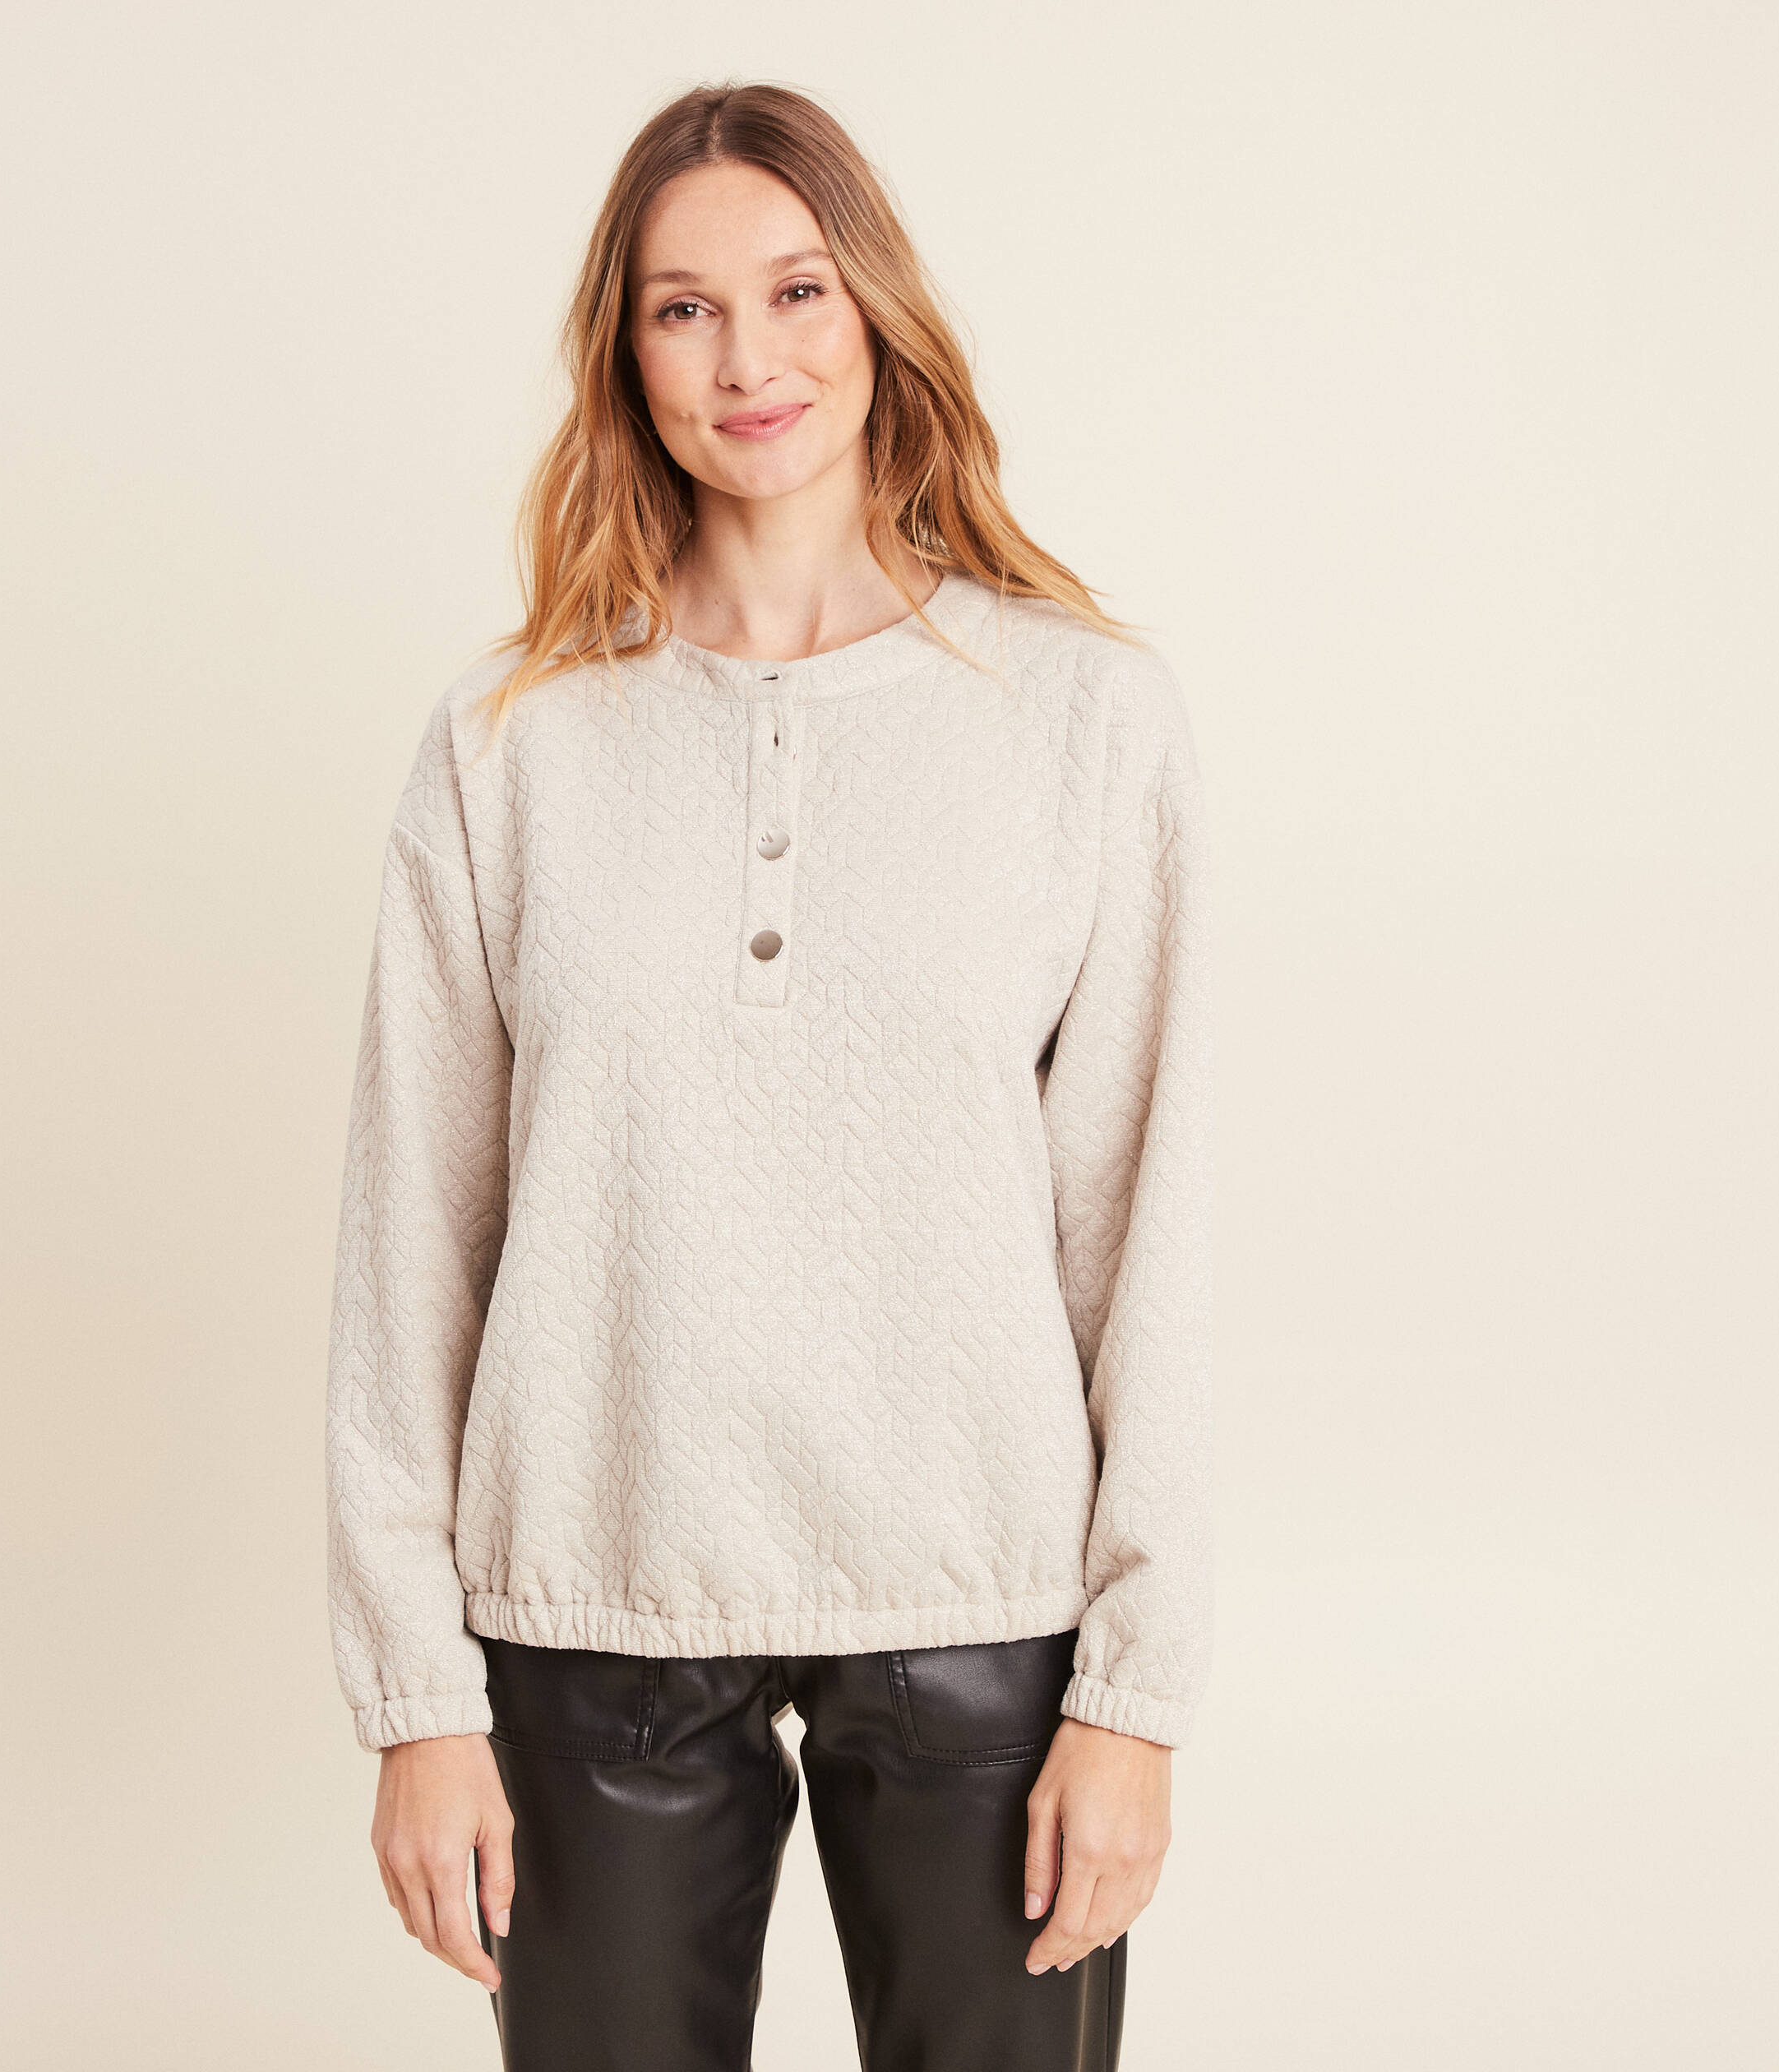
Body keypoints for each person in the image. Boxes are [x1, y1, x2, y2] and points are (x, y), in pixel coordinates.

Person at [324, 79, 1213, 2072]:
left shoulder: (1083, 717)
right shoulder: (511, 741)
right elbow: (410, 1248)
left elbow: (1146, 1227)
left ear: (877, 309)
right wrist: (416, 1699)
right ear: (625, 353)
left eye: (799, 290)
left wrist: (1137, 1696)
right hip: (594, 1589)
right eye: (684, 308)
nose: (750, 360)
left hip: (983, 1593)